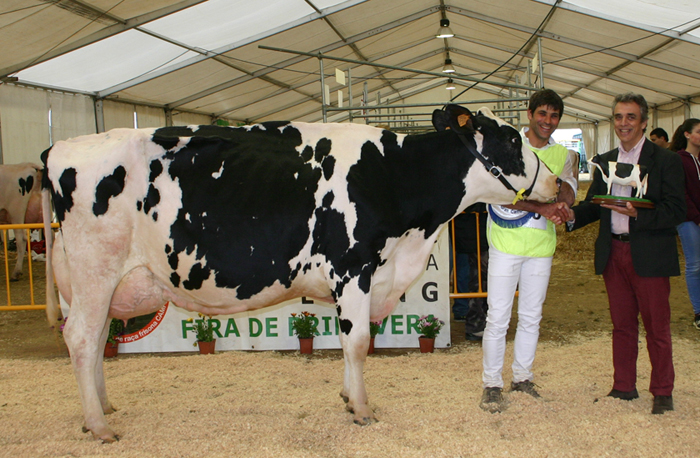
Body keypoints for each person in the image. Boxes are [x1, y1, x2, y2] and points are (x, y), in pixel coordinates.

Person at [566, 93, 685, 415]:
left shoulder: (666, 160)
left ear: (644, 122)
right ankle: (623, 386)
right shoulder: (604, 160)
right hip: (613, 251)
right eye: (619, 117)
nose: (624, 123)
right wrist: (570, 216)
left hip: (649, 254)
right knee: (622, 325)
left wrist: (639, 216)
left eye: (630, 117)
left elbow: (677, 209)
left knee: (657, 327)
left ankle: (662, 391)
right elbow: (595, 204)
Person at [479, 89, 576, 413]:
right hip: (505, 245)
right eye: (542, 114)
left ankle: (522, 377)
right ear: (530, 113)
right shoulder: (509, 147)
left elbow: (570, 186)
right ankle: (491, 384)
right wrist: (543, 207)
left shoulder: (564, 153)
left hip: (541, 246)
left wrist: (563, 205)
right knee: (498, 318)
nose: (548, 121)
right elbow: (497, 193)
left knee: (532, 317)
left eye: (554, 116)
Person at [670, 119, 700, 330]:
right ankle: (698, 311)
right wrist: (697, 218)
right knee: (695, 264)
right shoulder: (679, 160)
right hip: (688, 220)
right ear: (687, 135)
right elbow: (682, 194)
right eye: (699, 131)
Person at [451, 203, 489, 340]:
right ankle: (476, 323)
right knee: (477, 278)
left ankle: (481, 321)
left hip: (479, 230)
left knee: (479, 277)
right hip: (473, 231)